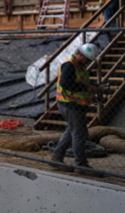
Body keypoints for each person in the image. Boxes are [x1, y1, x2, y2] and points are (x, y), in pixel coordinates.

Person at [49, 43, 102, 176]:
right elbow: (66, 84)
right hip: (70, 104)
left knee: (71, 131)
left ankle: (56, 157)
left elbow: (80, 82)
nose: (88, 62)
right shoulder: (70, 65)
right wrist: (86, 88)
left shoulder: (80, 66)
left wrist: (90, 86)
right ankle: (81, 164)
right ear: (80, 55)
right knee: (79, 134)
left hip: (75, 104)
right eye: (87, 59)